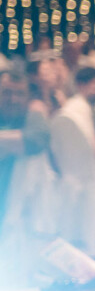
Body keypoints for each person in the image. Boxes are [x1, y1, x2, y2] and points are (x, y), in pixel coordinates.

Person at [0, 68, 50, 226]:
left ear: (28, 97)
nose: (13, 99)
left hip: (15, 206)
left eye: (20, 94)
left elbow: (36, 140)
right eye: (6, 92)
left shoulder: (31, 114)